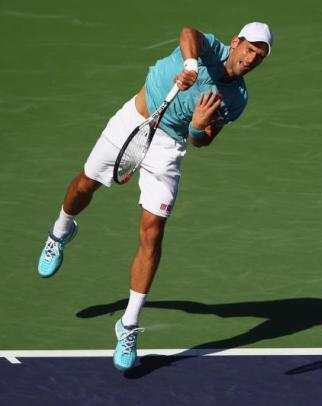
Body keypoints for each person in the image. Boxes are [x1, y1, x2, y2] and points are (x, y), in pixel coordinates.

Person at [37, 22, 274, 371]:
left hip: (168, 147)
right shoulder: (207, 49)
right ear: (236, 43)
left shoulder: (237, 98)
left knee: (153, 232)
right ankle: (61, 229)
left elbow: (202, 139)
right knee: (85, 185)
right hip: (134, 119)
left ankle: (128, 325)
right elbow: (188, 32)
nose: (252, 59)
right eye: (250, 49)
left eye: (260, 56)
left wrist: (196, 125)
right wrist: (191, 65)